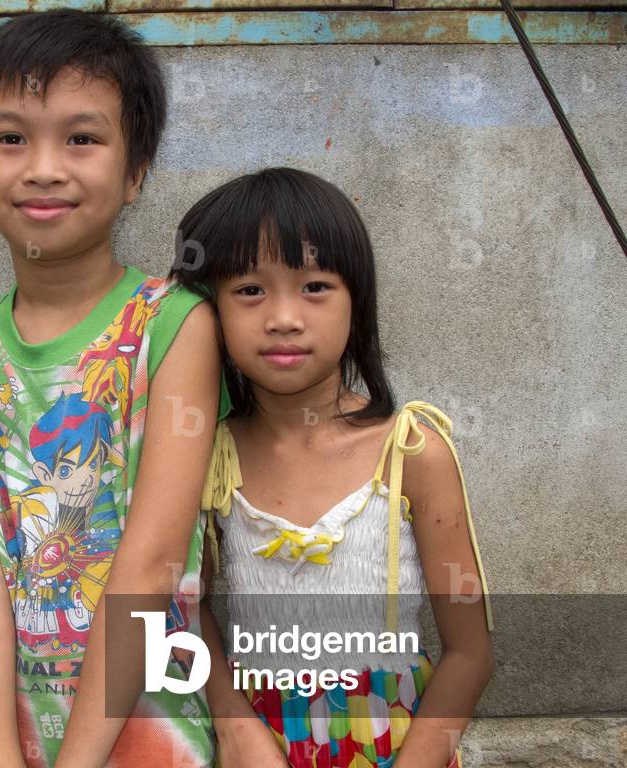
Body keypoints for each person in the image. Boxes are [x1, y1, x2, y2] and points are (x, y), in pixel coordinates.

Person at [0, 10, 230, 768]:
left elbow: (153, 561)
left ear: (136, 171)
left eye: (81, 138)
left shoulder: (174, 327)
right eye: (11, 137)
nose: (44, 167)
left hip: (146, 734)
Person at [168, 167, 495, 767]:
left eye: (315, 286)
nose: (284, 317)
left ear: (357, 302)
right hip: (257, 747)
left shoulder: (413, 453)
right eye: (248, 290)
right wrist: (234, 726)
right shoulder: (209, 461)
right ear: (208, 310)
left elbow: (471, 653)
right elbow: (172, 607)